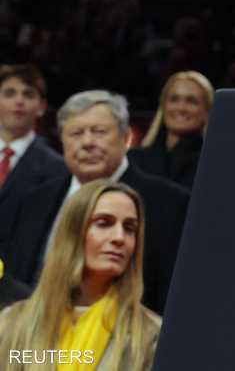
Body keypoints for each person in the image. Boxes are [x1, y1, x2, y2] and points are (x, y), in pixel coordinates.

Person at [0, 90, 189, 314]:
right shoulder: (34, 200)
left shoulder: (170, 204)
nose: (87, 142)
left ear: (125, 137)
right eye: (76, 133)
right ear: (62, 141)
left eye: (99, 132)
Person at [0, 181, 160, 370]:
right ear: (72, 233)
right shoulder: (13, 323)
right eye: (103, 223)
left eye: (130, 228)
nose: (119, 237)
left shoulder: (150, 335)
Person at [0, 65, 68, 226]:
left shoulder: (57, 168)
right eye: (10, 94)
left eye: (28, 94)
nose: (19, 101)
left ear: (42, 107)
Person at [129, 70, 214, 190]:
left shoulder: (214, 164)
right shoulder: (133, 160)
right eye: (174, 99)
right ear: (163, 106)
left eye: (192, 101)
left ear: (207, 111)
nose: (181, 108)